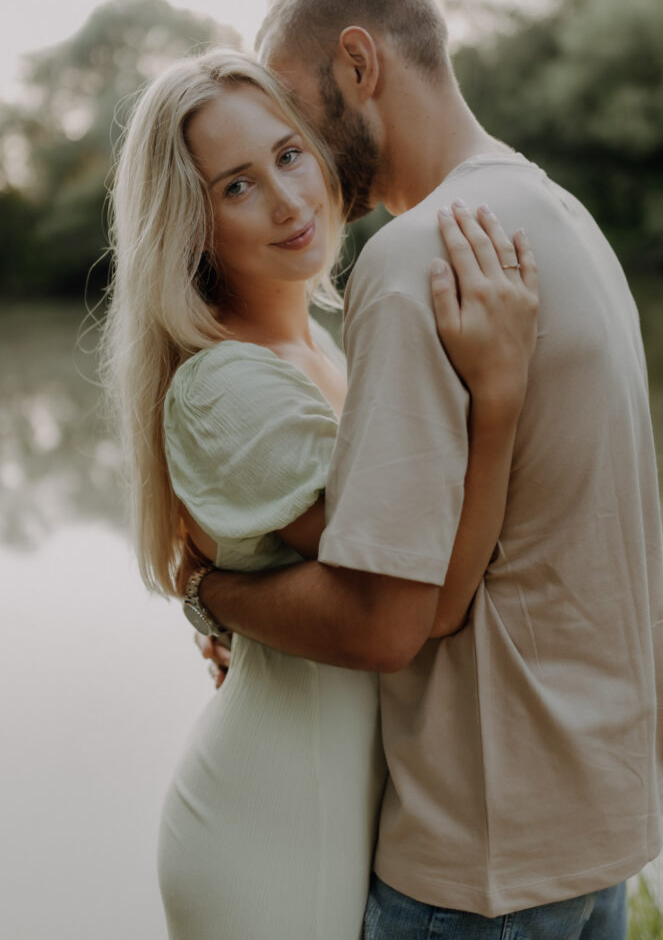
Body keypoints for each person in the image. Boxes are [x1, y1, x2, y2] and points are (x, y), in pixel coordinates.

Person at [191, 0, 663, 939]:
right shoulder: (562, 218)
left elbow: (382, 621)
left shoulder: (421, 258)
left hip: (479, 854)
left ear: (358, 63)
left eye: (295, 115)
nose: (303, 160)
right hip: (592, 824)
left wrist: (210, 590)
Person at [102, 46, 538, 939]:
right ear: (191, 227)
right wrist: (496, 403)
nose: (289, 199)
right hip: (272, 830)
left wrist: (217, 597)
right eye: (235, 187)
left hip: (336, 809)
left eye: (288, 155)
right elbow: (415, 611)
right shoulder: (229, 385)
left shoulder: (320, 355)